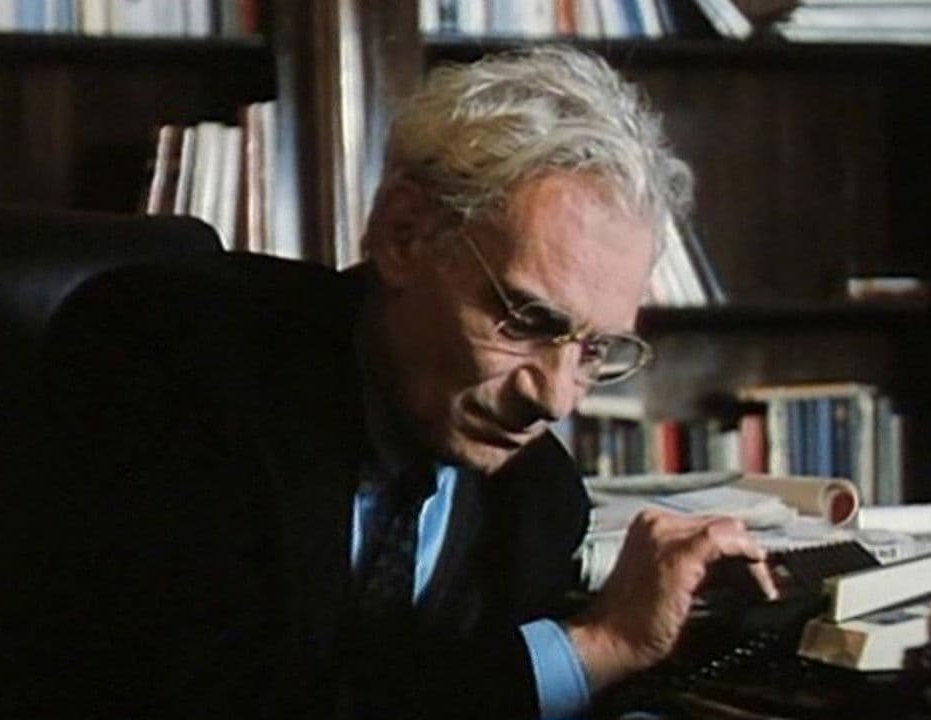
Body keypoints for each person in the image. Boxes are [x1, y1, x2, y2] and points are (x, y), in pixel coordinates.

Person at [49, 44, 775, 719]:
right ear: (404, 236)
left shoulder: (541, 500)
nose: (553, 399)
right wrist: (599, 646)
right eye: (525, 320)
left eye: (595, 350)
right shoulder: (171, 352)